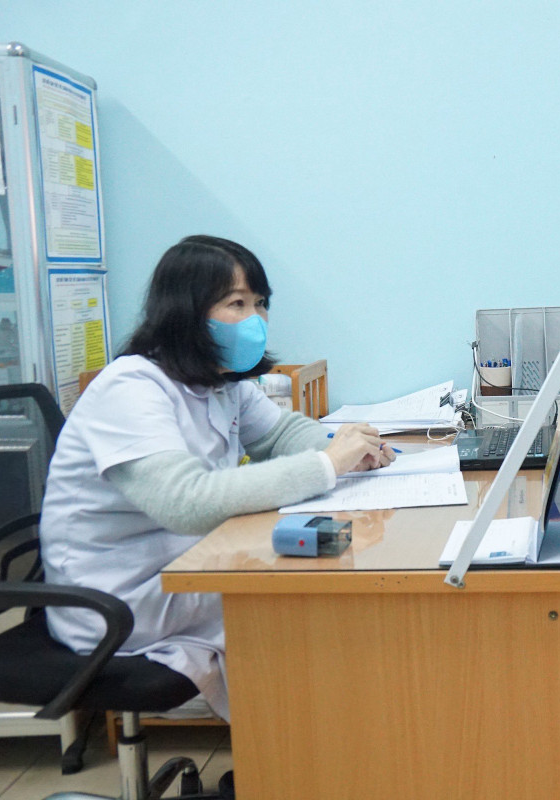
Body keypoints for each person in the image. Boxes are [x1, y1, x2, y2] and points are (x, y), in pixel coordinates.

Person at [39, 235, 393, 721]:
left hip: (185, 569)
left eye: (260, 303)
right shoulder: (130, 388)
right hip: (117, 600)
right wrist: (329, 464)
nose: (255, 319)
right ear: (186, 310)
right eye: (237, 303)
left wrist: (352, 451)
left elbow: (280, 434)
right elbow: (187, 503)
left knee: (317, 601)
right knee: (306, 616)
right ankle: (300, 752)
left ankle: (310, 749)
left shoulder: (219, 381)